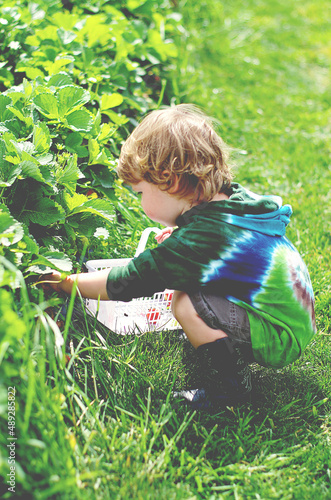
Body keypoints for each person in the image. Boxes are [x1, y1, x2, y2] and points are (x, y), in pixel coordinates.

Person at [44, 104, 316, 410]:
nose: (141, 202)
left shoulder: (200, 242)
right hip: (292, 316)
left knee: (186, 303)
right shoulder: (232, 202)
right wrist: (181, 233)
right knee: (192, 292)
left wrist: (67, 284)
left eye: (140, 193)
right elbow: (216, 242)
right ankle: (223, 347)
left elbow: (130, 281)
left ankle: (230, 392)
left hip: (278, 333)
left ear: (169, 181)